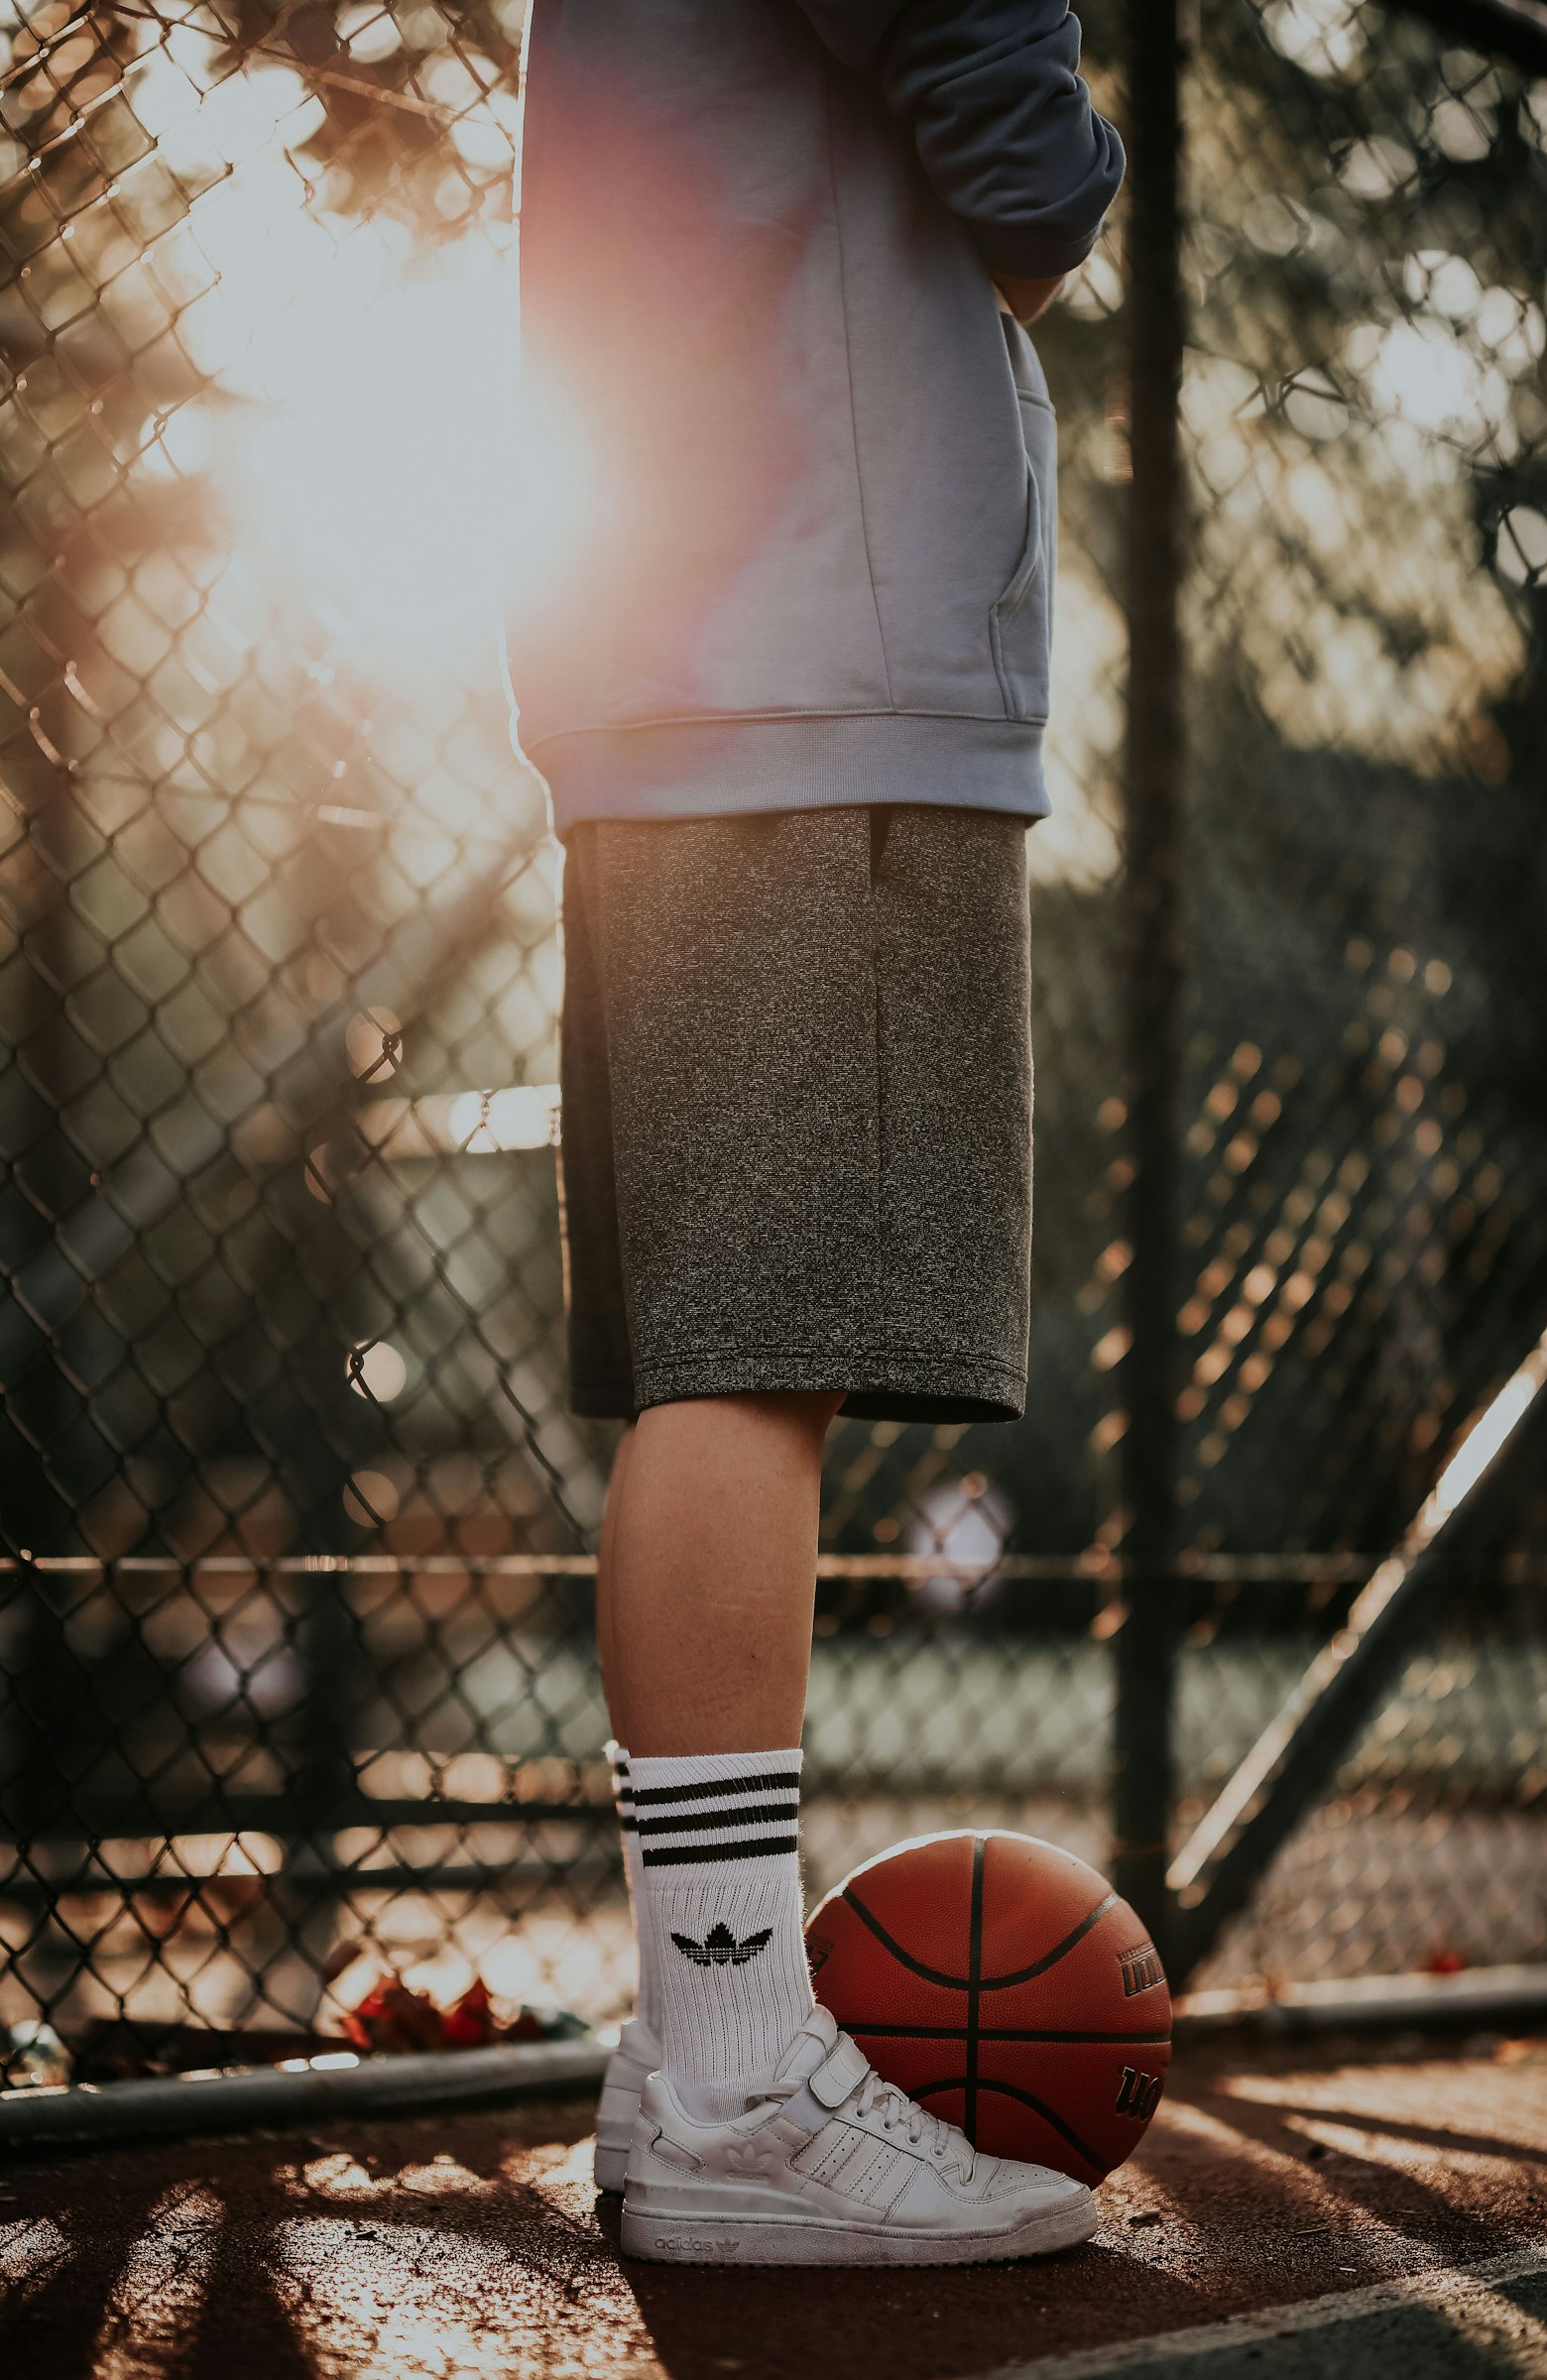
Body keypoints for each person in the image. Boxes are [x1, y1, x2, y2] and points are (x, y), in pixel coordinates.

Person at [503, 0, 1124, 2266]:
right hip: (807, 647)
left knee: (732, 1351)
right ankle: (735, 2082)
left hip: (703, 635)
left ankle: (705, 2033)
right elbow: (1026, 171)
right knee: (755, 1353)